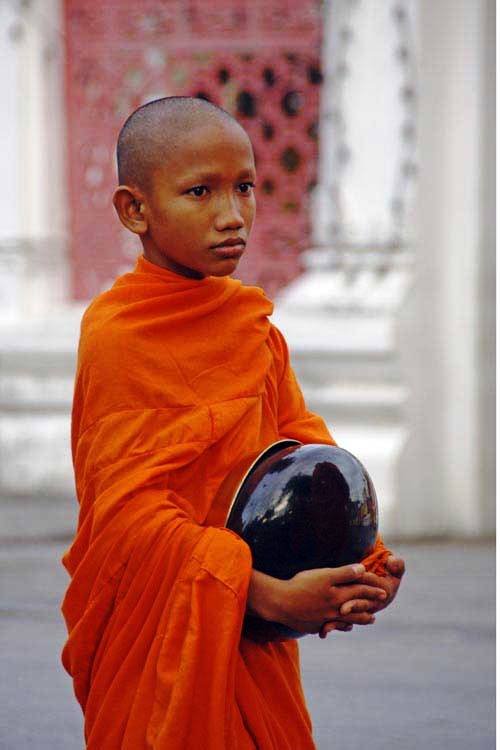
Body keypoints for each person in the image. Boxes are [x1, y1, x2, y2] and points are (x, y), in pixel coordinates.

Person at [61, 96, 405, 749]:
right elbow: (125, 520)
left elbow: (305, 452)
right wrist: (266, 596)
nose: (233, 215)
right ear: (136, 210)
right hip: (172, 635)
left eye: (244, 187)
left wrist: (363, 560)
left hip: (247, 640)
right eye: (200, 191)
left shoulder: (253, 330)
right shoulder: (119, 336)